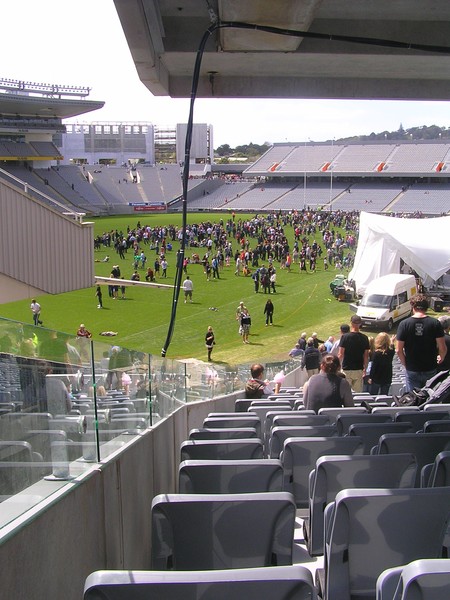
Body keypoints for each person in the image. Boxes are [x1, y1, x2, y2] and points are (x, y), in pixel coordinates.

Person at [396, 293, 447, 391]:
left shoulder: (404, 324)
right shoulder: (435, 323)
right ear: (426, 307)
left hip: (412, 368)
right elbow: (442, 347)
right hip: (430, 367)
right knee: (429, 397)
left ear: (413, 307)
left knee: (412, 399)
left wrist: (405, 364)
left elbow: (398, 349)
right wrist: (441, 357)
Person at [338, 314, 370, 392]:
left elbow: (340, 354)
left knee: (346, 392)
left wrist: (337, 366)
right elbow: (366, 356)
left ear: (351, 323)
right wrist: (365, 368)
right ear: (360, 324)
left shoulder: (345, 337)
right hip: (358, 369)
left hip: (347, 369)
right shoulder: (365, 338)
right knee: (358, 392)